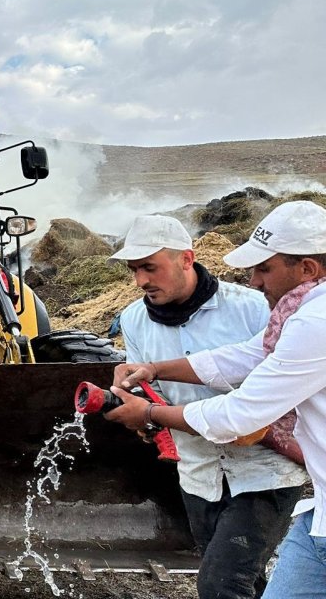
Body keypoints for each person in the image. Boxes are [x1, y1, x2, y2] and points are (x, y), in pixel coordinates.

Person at [105, 201, 326, 598]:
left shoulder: (303, 319)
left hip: (263, 472)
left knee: (222, 584)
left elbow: (239, 415)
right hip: (214, 477)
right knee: (238, 583)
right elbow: (243, 356)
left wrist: (152, 412)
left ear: (307, 268)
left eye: (264, 268)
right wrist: (153, 373)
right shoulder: (293, 317)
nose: (256, 281)